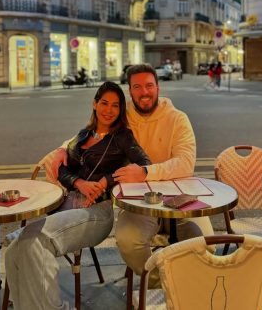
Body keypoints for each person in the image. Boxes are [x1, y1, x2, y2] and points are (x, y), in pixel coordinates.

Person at [52, 64, 214, 288]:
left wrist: (146, 172)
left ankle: (191, 286)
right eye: (137, 87)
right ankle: (164, 285)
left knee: (206, 244)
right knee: (129, 240)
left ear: (158, 87)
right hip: (139, 201)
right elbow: (90, 133)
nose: (144, 92)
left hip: (181, 197)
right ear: (130, 91)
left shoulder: (177, 118)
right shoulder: (122, 116)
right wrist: (62, 149)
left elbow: (186, 163)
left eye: (149, 86)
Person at [5, 81, 151, 310]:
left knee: (35, 241)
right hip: (66, 206)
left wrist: (107, 181)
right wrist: (79, 182)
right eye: (104, 103)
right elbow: (62, 170)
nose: (109, 109)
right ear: (95, 104)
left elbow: (144, 165)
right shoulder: (83, 135)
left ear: (121, 110)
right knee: (16, 247)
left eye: (115, 105)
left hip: (96, 212)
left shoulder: (123, 137)